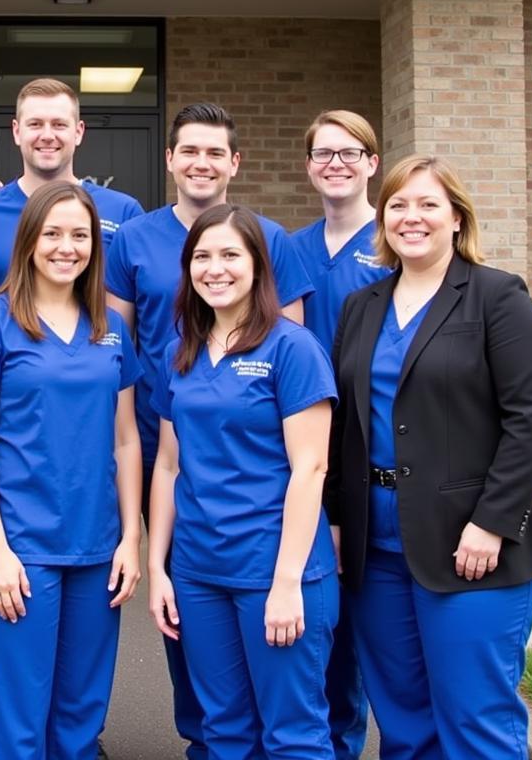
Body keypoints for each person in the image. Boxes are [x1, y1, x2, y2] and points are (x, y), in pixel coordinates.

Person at [325, 154, 532, 760]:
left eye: (428, 204)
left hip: (472, 547)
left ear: (457, 217)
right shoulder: (362, 306)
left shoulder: (497, 297)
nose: (412, 217)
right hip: (375, 549)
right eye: (398, 204)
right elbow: (344, 425)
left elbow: (531, 418)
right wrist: (337, 519)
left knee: (475, 719)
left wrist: (493, 523)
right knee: (403, 723)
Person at [106, 102, 313, 760]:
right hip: (174, 470)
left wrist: (291, 572)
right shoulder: (136, 246)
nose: (200, 162)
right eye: (188, 150)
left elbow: (303, 434)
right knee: (206, 682)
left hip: (260, 494)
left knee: (285, 704)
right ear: (169, 159)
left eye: (214, 152)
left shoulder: (275, 260)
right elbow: (113, 344)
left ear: (234, 163)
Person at [0, 181, 143, 760]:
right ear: (29, 241)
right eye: (53, 233)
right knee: (19, 720)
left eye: (79, 235)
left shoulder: (110, 327)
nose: (67, 247)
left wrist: (130, 537)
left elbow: (126, 439)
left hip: (95, 547)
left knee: (81, 719)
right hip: (21, 547)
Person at [148, 204, 338, 760]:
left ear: (258, 265)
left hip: (274, 571)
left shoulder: (291, 348)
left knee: (293, 734)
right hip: (200, 573)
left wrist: (286, 583)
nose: (215, 268)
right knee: (224, 730)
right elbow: (168, 465)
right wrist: (159, 568)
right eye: (201, 256)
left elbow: (312, 468)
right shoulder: (177, 354)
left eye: (230, 254)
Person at [291, 109, 390, 760]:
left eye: (350, 153)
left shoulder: (394, 243)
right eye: (324, 154)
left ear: (372, 163)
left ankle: (343, 744)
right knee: (313, 616)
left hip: (372, 444)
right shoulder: (291, 247)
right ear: (308, 166)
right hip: (302, 444)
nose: (336, 164)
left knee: (359, 625)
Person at [0, 77, 144, 285]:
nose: (47, 135)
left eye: (59, 124)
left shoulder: (123, 212)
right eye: (35, 124)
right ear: (17, 132)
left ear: (78, 132)